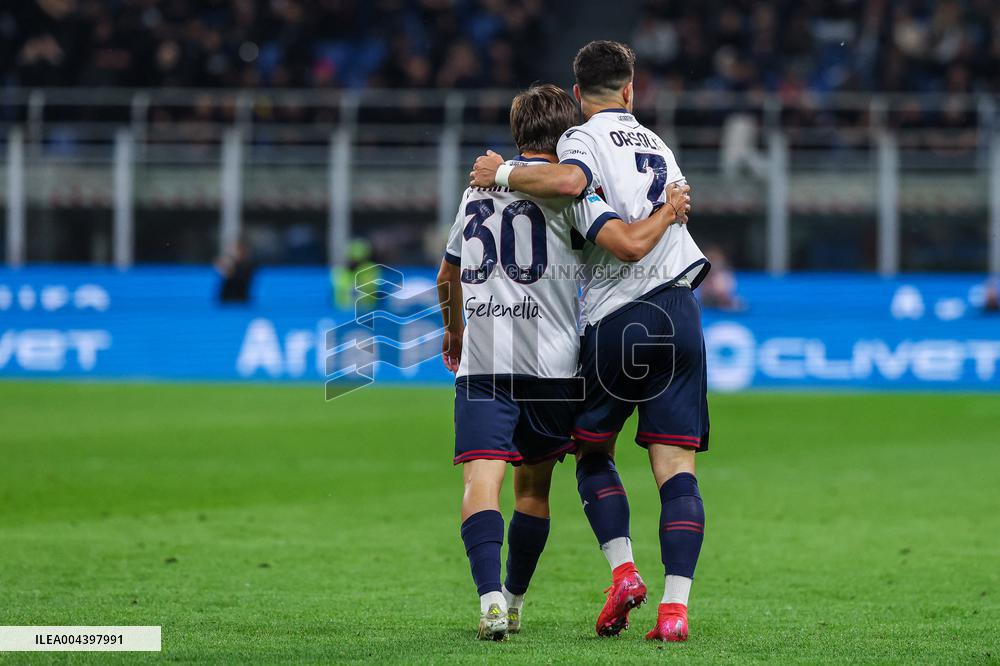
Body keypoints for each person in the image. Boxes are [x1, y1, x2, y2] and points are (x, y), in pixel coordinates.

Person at [470, 40, 709, 642]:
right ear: (631, 89)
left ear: (579, 95)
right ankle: (675, 610)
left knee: (592, 451)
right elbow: (676, 207)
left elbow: (582, 192)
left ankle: (624, 572)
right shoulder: (659, 145)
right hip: (683, 310)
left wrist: (501, 172)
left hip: (620, 317)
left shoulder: (580, 140)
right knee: (676, 469)